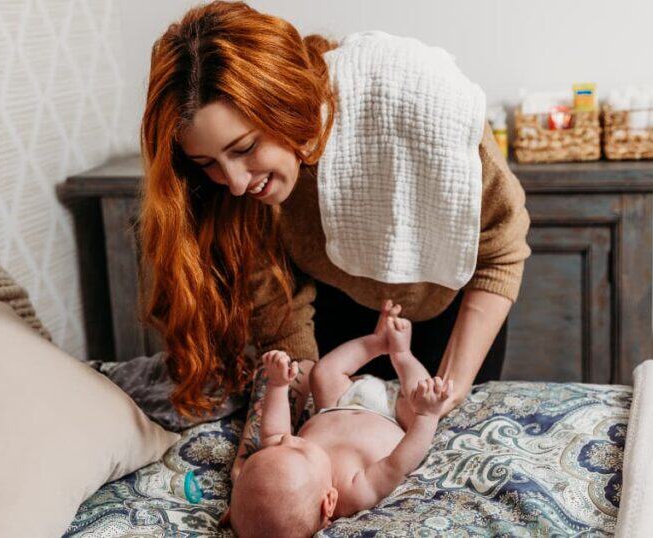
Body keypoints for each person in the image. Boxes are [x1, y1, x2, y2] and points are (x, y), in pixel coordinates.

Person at [138, 1, 530, 481]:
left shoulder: (427, 106)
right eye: (208, 164)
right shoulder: (236, 196)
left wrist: (444, 395)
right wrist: (262, 450)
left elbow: (501, 254)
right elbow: (281, 310)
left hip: (453, 311)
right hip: (337, 310)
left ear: (284, 103)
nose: (235, 182)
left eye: (244, 148)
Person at [229, 303, 447, 537]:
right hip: (393, 416)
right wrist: (427, 415)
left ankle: (377, 342)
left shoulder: (283, 457)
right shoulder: (354, 491)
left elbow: (273, 432)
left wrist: (277, 385)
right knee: (416, 396)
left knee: (322, 373)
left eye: (280, 445)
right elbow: (398, 463)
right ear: (329, 502)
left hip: (337, 402)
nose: (287, 439)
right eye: (297, 448)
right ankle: (403, 355)